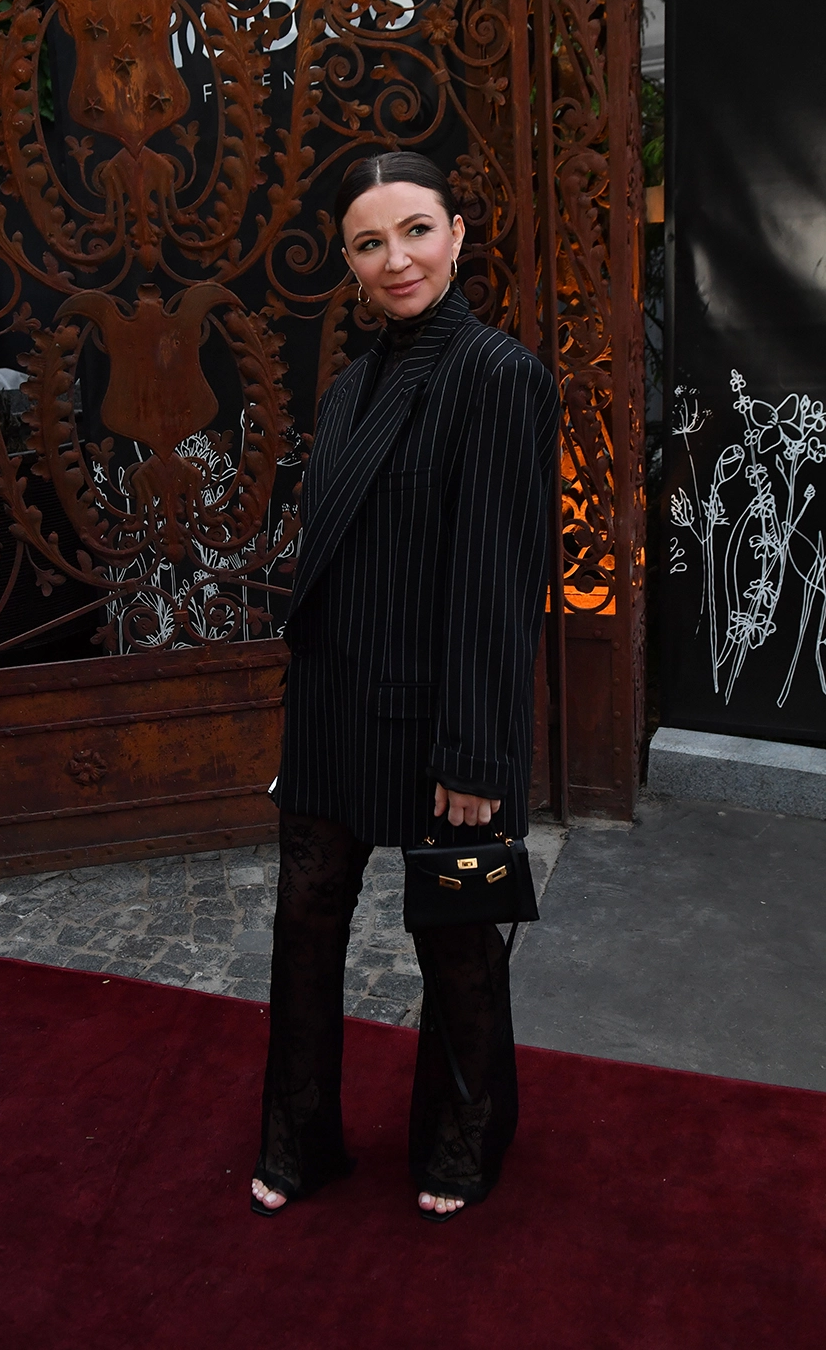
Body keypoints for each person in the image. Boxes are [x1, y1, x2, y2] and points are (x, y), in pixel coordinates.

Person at [251, 150, 560, 1221]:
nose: (397, 260)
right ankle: (299, 1142)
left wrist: (475, 754)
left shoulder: (499, 375)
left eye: (416, 231)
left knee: (456, 941)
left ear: (457, 234)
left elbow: (497, 581)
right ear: (347, 261)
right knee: (302, 925)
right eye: (370, 243)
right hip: (333, 713)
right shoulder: (347, 389)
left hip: (439, 722)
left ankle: (465, 1143)